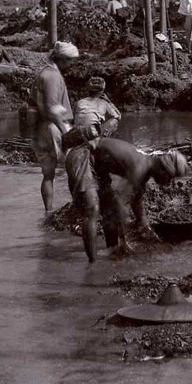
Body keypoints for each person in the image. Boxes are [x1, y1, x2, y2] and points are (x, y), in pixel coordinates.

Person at [92, 138, 190, 257]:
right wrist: (124, 239)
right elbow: (120, 200)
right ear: (163, 169)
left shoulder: (147, 165)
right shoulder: (140, 168)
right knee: (111, 207)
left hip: (101, 161)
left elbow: (136, 199)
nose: (168, 182)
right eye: (169, 177)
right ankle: (111, 250)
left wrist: (142, 222)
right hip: (89, 154)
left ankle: (112, 249)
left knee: (109, 202)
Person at [62, 76, 123, 262]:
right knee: (97, 208)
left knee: (96, 208)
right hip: (85, 153)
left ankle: (94, 262)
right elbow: (116, 117)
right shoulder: (105, 105)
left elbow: (77, 123)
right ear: (102, 91)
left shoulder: (79, 103)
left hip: (79, 152)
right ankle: (105, 257)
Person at [31, 41, 80, 212]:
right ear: (62, 59)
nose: (71, 65)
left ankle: (48, 211)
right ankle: (76, 207)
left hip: (42, 127)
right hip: (54, 127)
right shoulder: (52, 76)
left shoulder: (43, 73)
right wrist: (67, 132)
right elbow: (53, 109)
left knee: (48, 174)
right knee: (74, 167)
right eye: (70, 61)